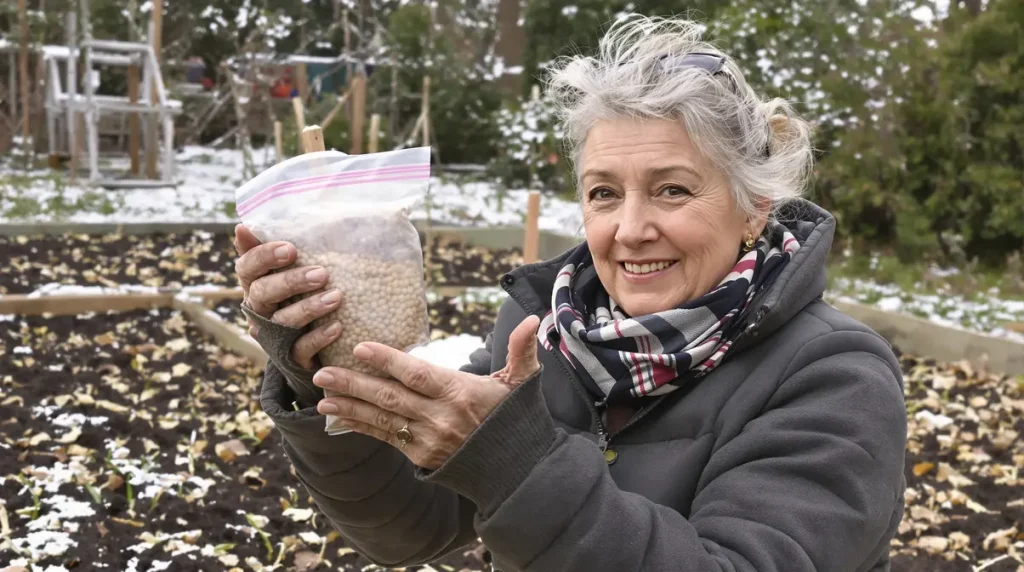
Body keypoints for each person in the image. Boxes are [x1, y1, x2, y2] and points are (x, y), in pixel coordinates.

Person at [233, 15, 907, 572]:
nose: (631, 229)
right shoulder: (552, 331)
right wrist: (320, 372)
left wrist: (517, 466)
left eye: (672, 189)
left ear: (754, 207)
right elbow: (405, 533)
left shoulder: (834, 378)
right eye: (604, 193)